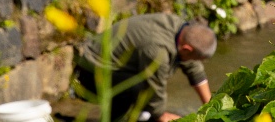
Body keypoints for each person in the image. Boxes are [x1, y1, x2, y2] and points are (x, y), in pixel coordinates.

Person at [74, 14, 215, 122]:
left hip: (120, 65)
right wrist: (162, 115)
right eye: (195, 57)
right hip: (91, 71)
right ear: (186, 49)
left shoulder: (182, 29)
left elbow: (193, 67)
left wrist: (210, 106)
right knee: (138, 88)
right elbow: (154, 87)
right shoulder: (157, 50)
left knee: (146, 101)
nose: (195, 62)